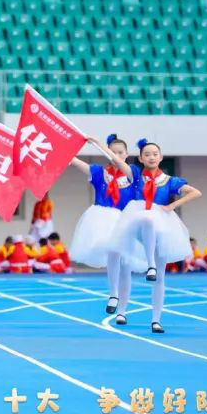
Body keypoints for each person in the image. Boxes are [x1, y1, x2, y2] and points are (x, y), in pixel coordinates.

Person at [110, 139, 202, 334]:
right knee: (126, 265)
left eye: (155, 154)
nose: (151, 157)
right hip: (135, 224)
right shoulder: (135, 175)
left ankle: (156, 320)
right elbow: (116, 161)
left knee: (160, 277)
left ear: (160, 157)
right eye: (147, 154)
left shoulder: (169, 181)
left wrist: (172, 206)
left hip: (162, 227)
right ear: (141, 159)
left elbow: (196, 192)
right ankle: (122, 311)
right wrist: (96, 143)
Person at [67, 134, 136, 314]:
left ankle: (122, 310)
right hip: (105, 221)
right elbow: (74, 161)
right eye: (113, 152)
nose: (116, 155)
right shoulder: (99, 173)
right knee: (113, 255)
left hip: (127, 219)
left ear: (127, 154)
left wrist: (98, 144)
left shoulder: (132, 172)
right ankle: (113, 294)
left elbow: (121, 166)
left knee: (126, 265)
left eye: (120, 152)